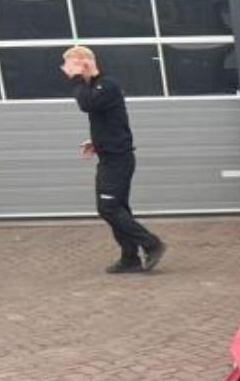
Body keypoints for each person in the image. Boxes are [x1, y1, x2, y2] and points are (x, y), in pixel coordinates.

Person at [61, 45, 167, 274]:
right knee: (118, 208)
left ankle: (152, 244)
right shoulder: (95, 87)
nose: (64, 69)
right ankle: (130, 258)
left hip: (118, 159)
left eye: (68, 64)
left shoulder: (107, 85)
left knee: (108, 208)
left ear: (83, 63)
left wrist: (77, 77)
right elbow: (108, 119)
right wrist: (96, 142)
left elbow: (86, 104)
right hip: (110, 156)